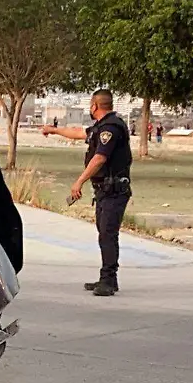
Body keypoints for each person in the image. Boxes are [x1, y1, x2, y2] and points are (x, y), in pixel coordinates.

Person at [39, 89, 133, 296]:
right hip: (105, 190)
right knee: (104, 233)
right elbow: (80, 133)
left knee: (108, 234)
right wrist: (54, 131)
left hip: (114, 189)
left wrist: (79, 182)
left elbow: (99, 158)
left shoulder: (110, 128)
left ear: (94, 106)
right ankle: (107, 278)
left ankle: (108, 280)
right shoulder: (102, 126)